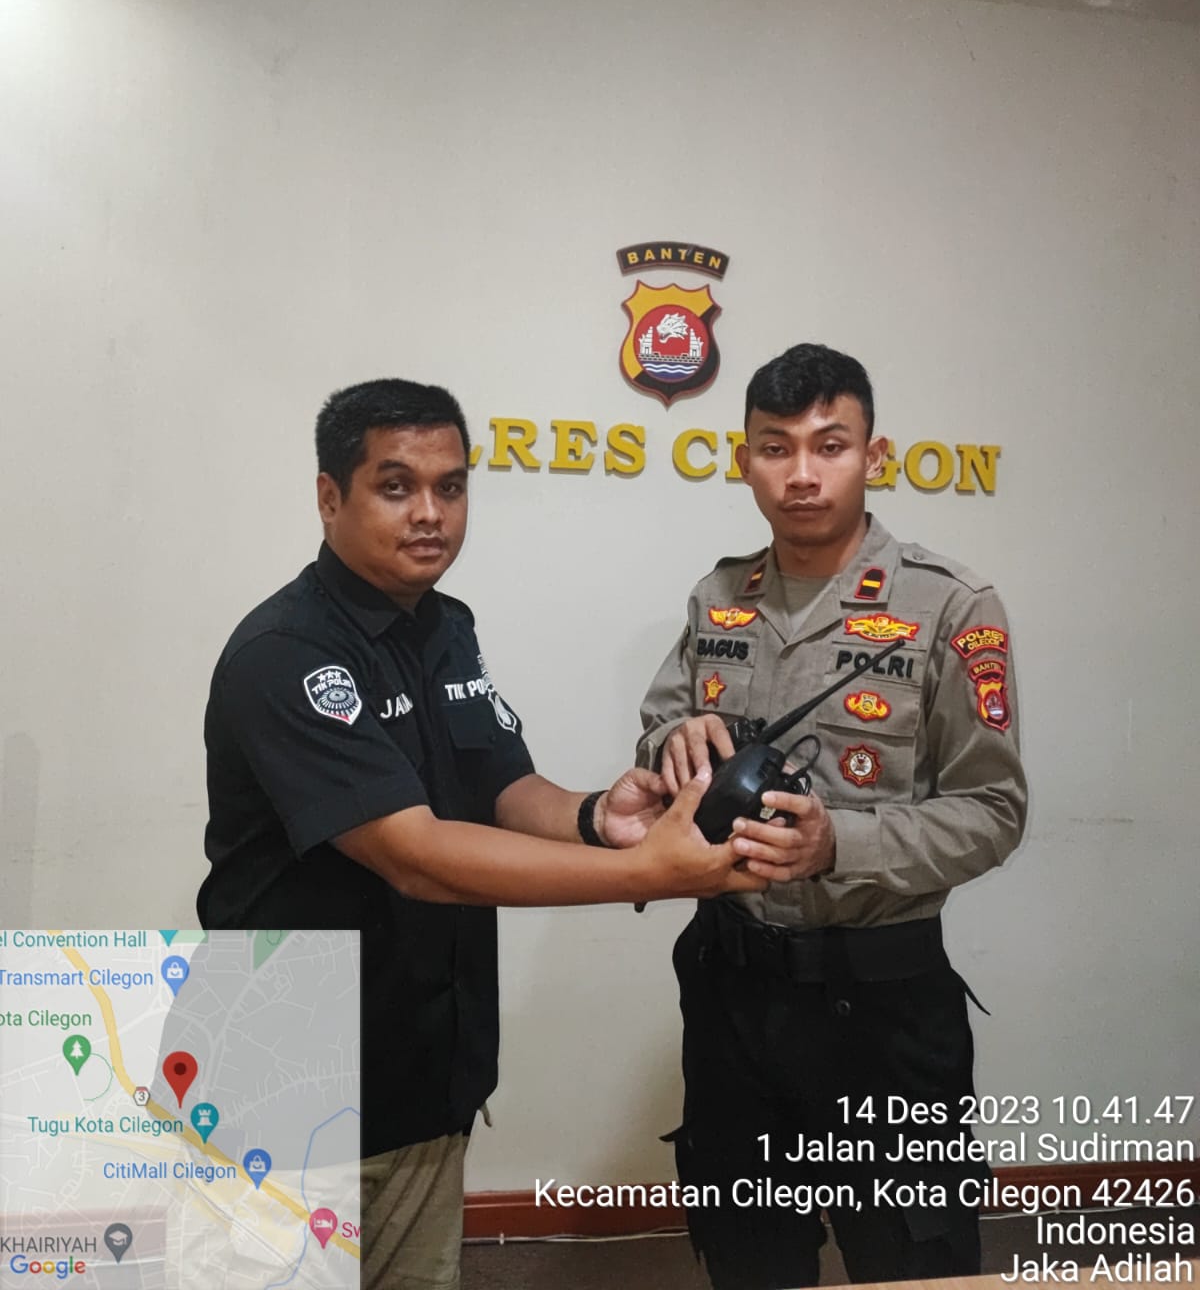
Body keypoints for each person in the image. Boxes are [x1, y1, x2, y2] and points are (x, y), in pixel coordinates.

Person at [197, 377, 812, 1290]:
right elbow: (416, 857)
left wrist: (600, 818)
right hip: (287, 1085)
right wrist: (652, 872)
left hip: (420, 1070)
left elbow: (501, 786)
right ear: (330, 497)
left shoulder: (446, 626)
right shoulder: (286, 654)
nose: (430, 513)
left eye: (450, 487)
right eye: (396, 487)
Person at [637, 344, 1027, 1290]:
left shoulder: (951, 606)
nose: (802, 474)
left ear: (873, 456)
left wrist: (835, 844)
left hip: (883, 1011)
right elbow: (656, 732)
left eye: (830, 445)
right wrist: (671, 744)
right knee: (749, 1260)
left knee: (910, 1267)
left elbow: (993, 809)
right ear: (745, 461)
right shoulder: (719, 598)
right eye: (776, 448)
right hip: (733, 995)